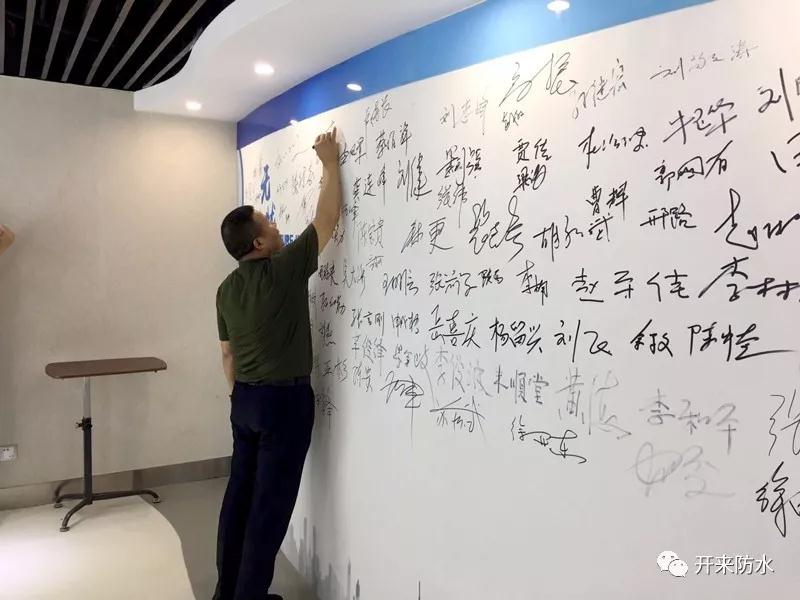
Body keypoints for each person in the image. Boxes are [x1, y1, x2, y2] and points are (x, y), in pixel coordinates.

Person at [213, 128, 341, 600]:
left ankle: (228, 591)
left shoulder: (227, 288)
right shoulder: (282, 270)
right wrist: (330, 163)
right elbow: (327, 220)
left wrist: (239, 395)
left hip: (244, 401)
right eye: (268, 223)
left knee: (240, 497)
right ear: (259, 244)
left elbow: (226, 353)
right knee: (269, 508)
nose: (276, 226)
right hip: (282, 404)